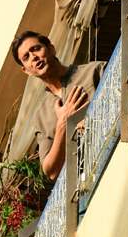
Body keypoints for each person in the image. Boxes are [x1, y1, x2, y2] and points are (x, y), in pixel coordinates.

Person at [12, 31, 105, 181]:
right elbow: (51, 171)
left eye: (36, 49)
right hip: (91, 182)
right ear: (26, 70)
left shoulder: (93, 71)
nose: (34, 57)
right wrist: (63, 124)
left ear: (51, 48)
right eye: (26, 57)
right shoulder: (41, 116)